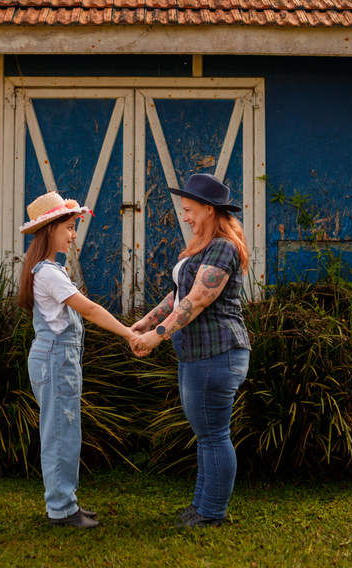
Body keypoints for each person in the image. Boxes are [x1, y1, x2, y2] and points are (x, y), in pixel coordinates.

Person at [131, 173, 251, 528]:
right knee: (207, 434)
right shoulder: (202, 246)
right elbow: (178, 296)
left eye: (189, 210)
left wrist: (158, 336)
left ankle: (212, 513)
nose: (184, 217)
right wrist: (147, 322)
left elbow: (199, 298)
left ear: (210, 210)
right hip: (199, 354)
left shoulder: (223, 247)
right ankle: (201, 508)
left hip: (218, 352)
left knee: (214, 435)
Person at [19, 191, 138, 529]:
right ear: (50, 230)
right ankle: (61, 509)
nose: (73, 235)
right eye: (69, 228)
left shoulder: (52, 269)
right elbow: (90, 309)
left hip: (58, 358)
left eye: (74, 227)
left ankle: (65, 503)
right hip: (56, 359)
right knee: (60, 433)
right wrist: (129, 333)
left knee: (65, 430)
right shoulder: (50, 274)